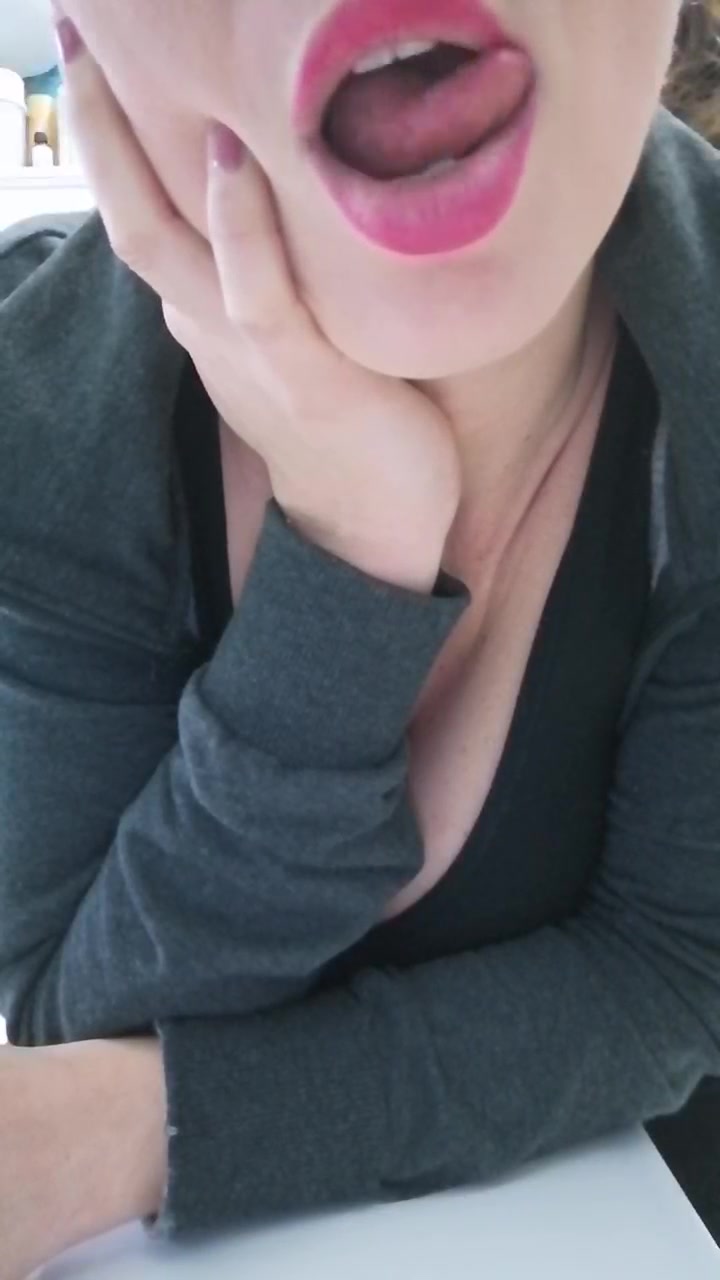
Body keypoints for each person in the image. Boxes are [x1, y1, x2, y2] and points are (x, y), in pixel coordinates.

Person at [0, 0, 719, 1274]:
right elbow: (79, 1017)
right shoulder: (44, 411)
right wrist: (353, 552)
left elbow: (670, 972)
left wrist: (152, 1130)